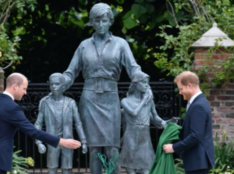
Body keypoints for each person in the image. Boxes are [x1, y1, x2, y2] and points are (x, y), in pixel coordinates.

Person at [62, 3, 145, 174]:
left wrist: (142, 78)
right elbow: (70, 72)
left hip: (110, 98)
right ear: (91, 22)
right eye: (97, 21)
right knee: (94, 150)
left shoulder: (121, 44)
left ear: (110, 21)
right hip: (89, 99)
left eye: (104, 20)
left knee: (112, 148)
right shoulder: (84, 45)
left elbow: (133, 68)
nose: (101, 24)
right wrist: (60, 81)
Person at [0, 73, 81, 174]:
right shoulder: (13, 108)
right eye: (24, 88)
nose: (25, 92)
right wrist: (61, 141)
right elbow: (33, 131)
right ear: (15, 86)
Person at [162, 71, 215, 174]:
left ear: (189, 86)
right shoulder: (198, 102)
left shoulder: (198, 106)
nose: (180, 92)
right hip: (198, 162)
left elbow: (196, 135)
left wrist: (174, 147)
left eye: (181, 89)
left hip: (198, 162)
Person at [34, 73, 87, 174]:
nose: (53, 87)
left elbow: (78, 123)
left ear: (63, 86)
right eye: (51, 84)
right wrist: (39, 142)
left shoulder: (70, 103)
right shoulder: (45, 103)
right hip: (52, 140)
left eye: (57, 84)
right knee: (52, 168)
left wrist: (84, 141)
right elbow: (38, 124)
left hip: (68, 140)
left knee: (66, 169)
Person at [119, 72, 167, 174]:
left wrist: (165, 122)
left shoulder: (149, 102)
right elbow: (134, 113)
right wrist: (144, 100)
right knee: (131, 169)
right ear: (136, 84)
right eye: (144, 83)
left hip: (144, 136)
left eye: (147, 83)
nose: (147, 85)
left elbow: (155, 117)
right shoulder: (125, 101)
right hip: (131, 135)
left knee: (146, 170)